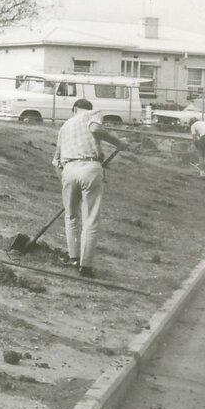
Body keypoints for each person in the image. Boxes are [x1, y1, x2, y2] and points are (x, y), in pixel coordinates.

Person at [51, 98, 127, 278]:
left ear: (74, 109)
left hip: (68, 170)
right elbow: (95, 129)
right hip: (90, 168)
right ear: (87, 109)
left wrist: (64, 180)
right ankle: (85, 267)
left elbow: (55, 161)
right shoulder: (93, 114)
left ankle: (73, 258)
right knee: (90, 219)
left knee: (71, 217)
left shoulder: (65, 126)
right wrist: (118, 143)